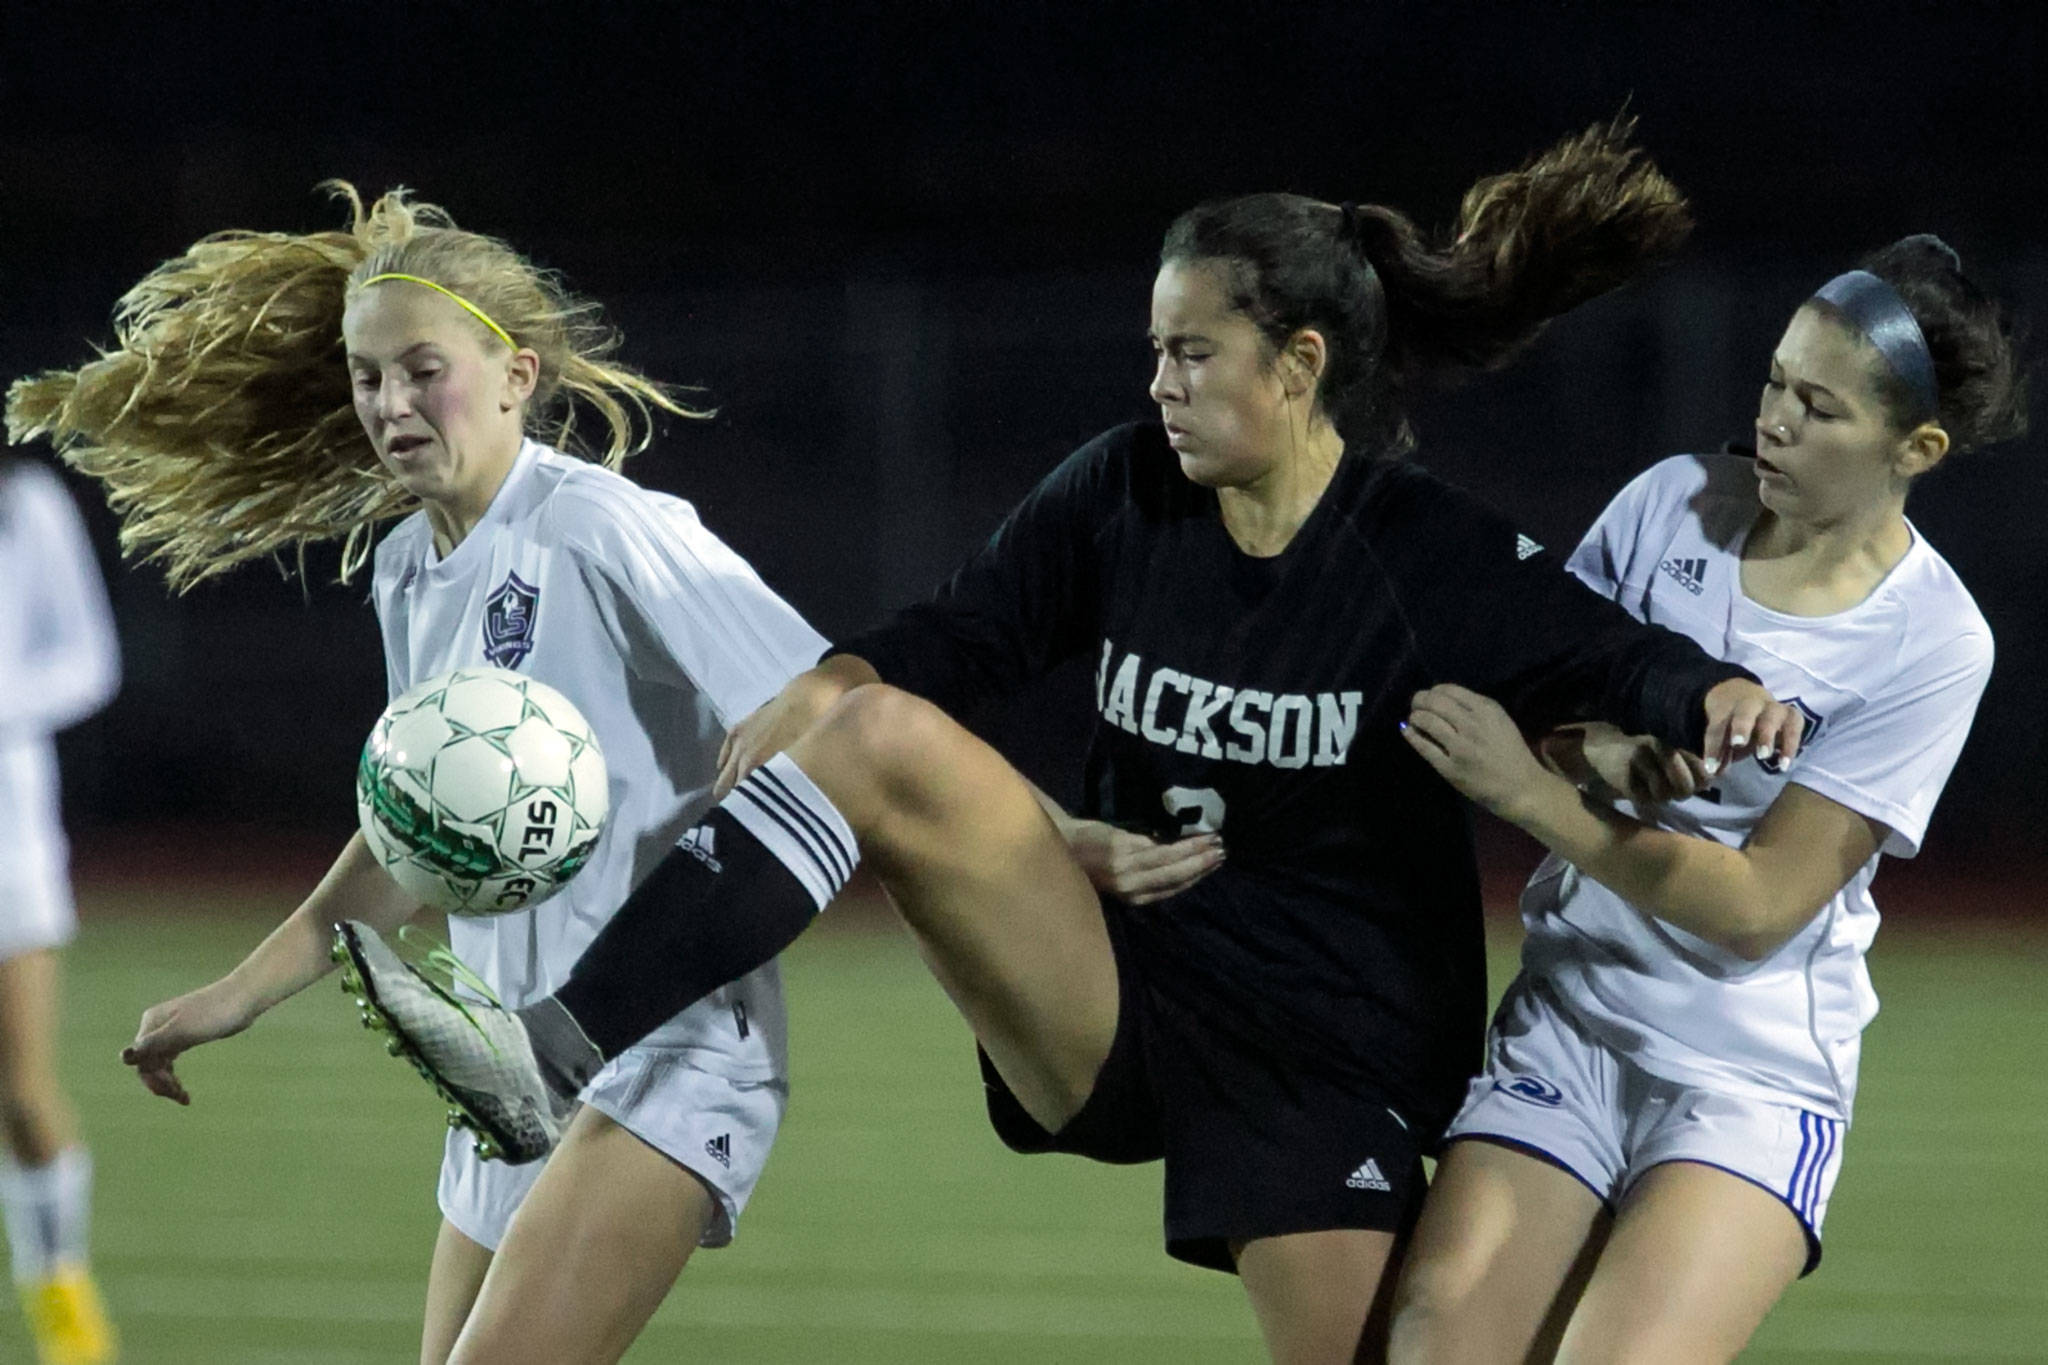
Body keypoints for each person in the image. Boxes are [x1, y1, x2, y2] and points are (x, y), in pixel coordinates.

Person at [336, 122, 1806, 1364]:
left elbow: (1616, 655)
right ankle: (553, 1050)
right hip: (1119, 992)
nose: (1159, 381)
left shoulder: (1419, 556)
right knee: (874, 731)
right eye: (1153, 351)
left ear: (1296, 368)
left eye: (1192, 352)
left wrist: (1712, 700)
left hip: (1321, 1057)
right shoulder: (1122, 492)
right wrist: (827, 680)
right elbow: (960, 637)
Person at [6, 185, 829, 1365]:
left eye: (420, 369)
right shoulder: (406, 568)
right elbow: (417, 841)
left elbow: (833, 700)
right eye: (366, 377)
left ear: (517, 375)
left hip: (668, 1049)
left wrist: (1036, 835)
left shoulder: (601, 528)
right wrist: (235, 994)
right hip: (509, 1070)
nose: (389, 403)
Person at [1386, 235, 2024, 1363]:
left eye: (1819, 407)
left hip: (1747, 1075)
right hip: (1570, 1018)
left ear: (1913, 446)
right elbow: (1554, 705)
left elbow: (1755, 908)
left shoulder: (1931, 639)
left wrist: (1534, 797)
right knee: (1437, 1341)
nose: (1774, 419)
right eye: (1774, 381)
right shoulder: (1667, 502)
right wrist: (1605, 756)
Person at [0, 455, 121, 1365]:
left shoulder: (24, 503)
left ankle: (63, 1315)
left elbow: (88, 659)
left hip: (9, 842)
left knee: (24, 1098)